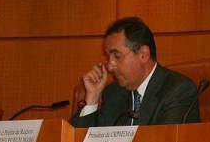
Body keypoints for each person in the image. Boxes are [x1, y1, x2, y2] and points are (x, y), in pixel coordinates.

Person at [71, 17, 200, 127]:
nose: (110, 66)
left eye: (117, 56)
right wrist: (92, 97)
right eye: (108, 57)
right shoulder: (113, 94)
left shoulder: (177, 90)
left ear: (143, 54)